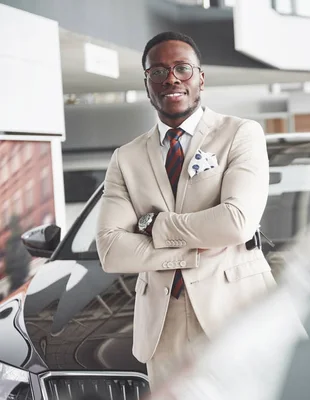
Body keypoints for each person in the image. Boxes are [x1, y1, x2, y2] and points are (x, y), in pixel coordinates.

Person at [95, 31, 275, 389]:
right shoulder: (126, 158)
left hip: (236, 313)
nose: (171, 78)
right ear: (147, 84)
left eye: (182, 68)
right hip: (163, 328)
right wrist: (194, 251)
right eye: (158, 72)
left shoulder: (241, 134)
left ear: (201, 78)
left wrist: (156, 226)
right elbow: (112, 250)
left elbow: (237, 223)